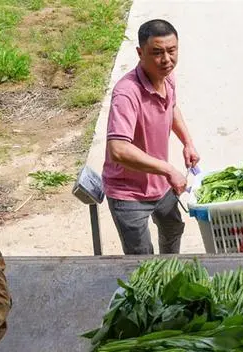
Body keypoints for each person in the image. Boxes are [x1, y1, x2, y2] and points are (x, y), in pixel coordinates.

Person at [102, 19, 199, 255]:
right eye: (157, 53)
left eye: (172, 50)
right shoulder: (127, 93)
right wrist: (168, 169)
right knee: (142, 256)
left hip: (159, 182)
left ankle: (169, 269)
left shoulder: (166, 76)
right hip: (129, 193)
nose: (166, 59)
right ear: (139, 53)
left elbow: (171, 106)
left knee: (173, 227)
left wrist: (187, 142)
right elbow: (119, 149)